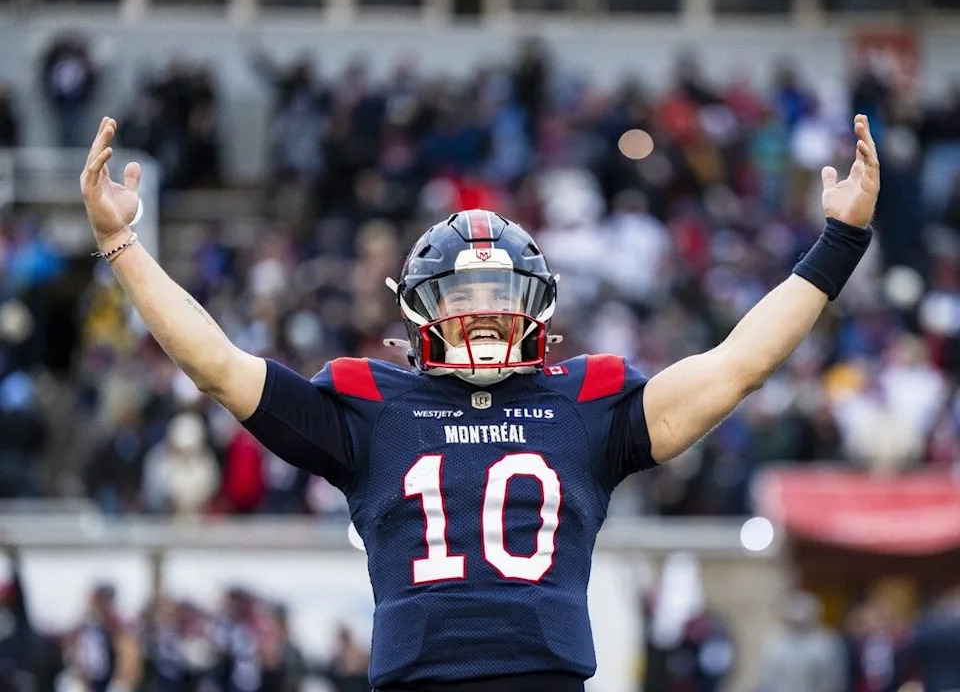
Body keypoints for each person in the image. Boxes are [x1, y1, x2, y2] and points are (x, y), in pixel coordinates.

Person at [79, 113, 879, 691]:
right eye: (465, 297)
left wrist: (839, 241)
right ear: (421, 307)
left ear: (539, 306)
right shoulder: (370, 402)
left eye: (503, 296)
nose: (486, 315)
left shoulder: (588, 402)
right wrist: (122, 246)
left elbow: (736, 366)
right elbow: (219, 367)